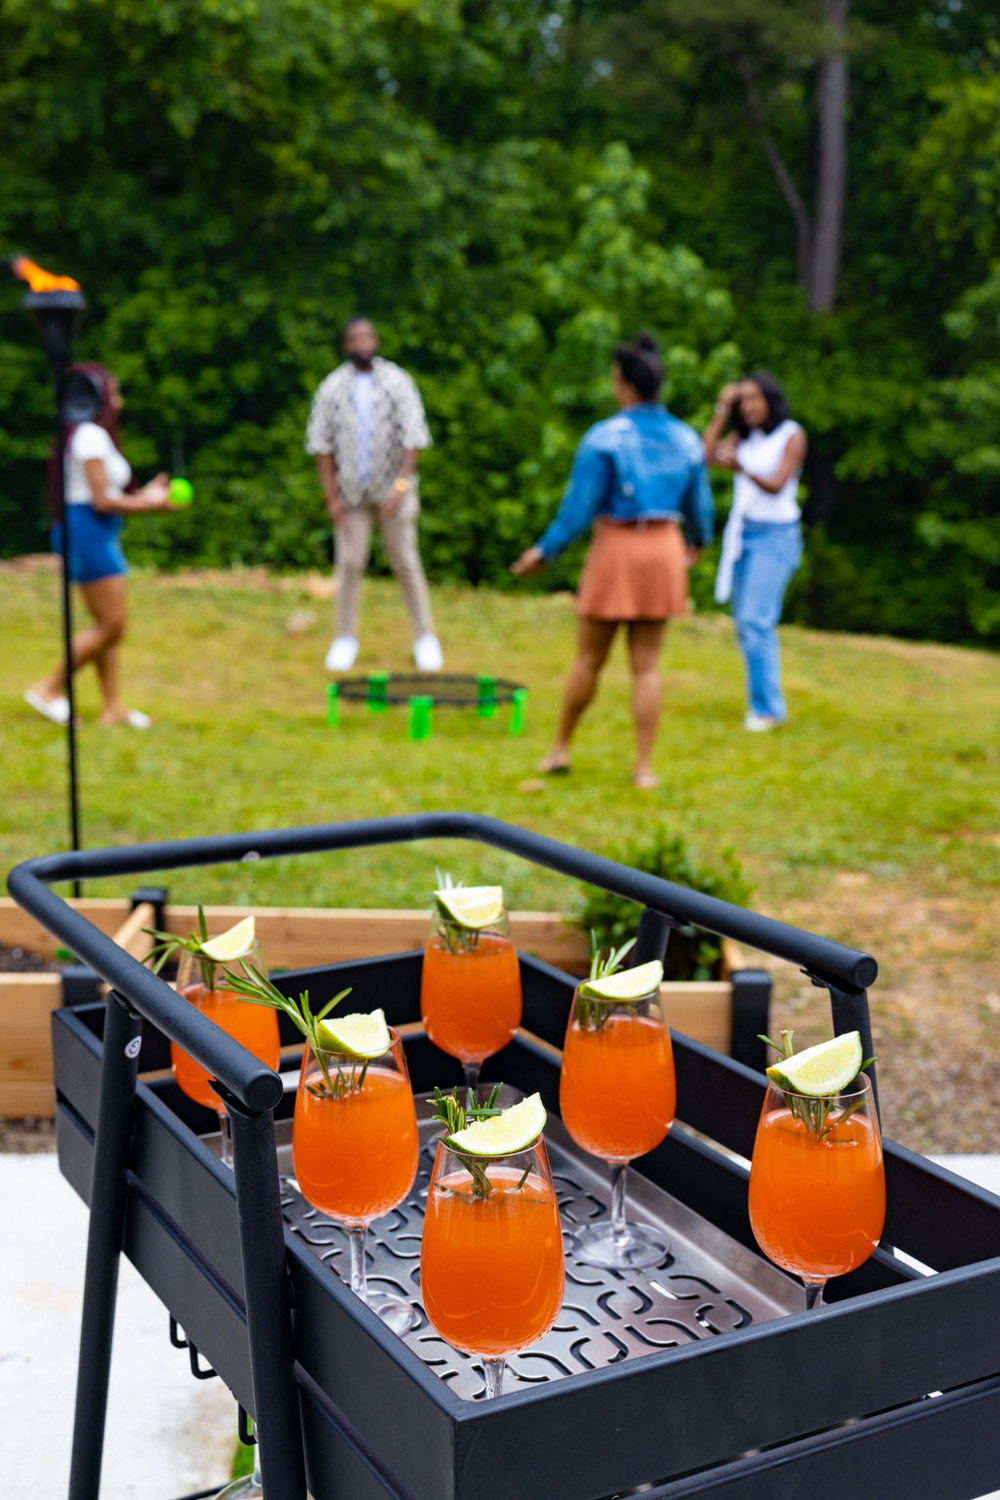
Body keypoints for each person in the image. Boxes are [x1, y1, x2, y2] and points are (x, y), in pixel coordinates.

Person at [511, 332, 713, 790]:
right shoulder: (686, 439)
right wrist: (698, 543)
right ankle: (643, 768)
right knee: (647, 665)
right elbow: (700, 507)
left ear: (624, 383)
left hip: (618, 547)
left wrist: (545, 551)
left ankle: (559, 749)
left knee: (589, 658)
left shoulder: (604, 438)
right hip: (664, 547)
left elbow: (578, 509)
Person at [24, 362, 174, 729]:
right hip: (87, 532)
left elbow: (107, 494)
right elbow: (102, 501)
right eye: (115, 394)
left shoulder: (85, 435)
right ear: (97, 397)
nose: (119, 402)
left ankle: (112, 708)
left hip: (91, 531)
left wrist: (145, 495)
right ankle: (49, 688)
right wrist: (152, 504)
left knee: (105, 624)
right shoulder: (90, 436)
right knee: (112, 625)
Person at [305, 317, 443, 673]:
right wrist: (331, 496)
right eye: (356, 338)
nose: (363, 343)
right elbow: (322, 446)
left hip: (394, 491)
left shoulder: (397, 381)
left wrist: (401, 485)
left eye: (368, 336)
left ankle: (425, 638)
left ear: (376, 341)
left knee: (406, 562)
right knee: (350, 565)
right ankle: (344, 639)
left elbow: (412, 438)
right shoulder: (332, 388)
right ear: (346, 346)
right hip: (351, 494)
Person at [703, 372, 807, 731]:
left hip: (775, 535)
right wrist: (721, 409)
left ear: (770, 400)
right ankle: (761, 703)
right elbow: (705, 456)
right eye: (742, 400)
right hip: (743, 534)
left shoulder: (790, 434)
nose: (748, 406)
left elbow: (777, 484)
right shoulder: (744, 438)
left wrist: (741, 468)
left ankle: (768, 710)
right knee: (746, 623)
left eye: (754, 398)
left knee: (756, 621)